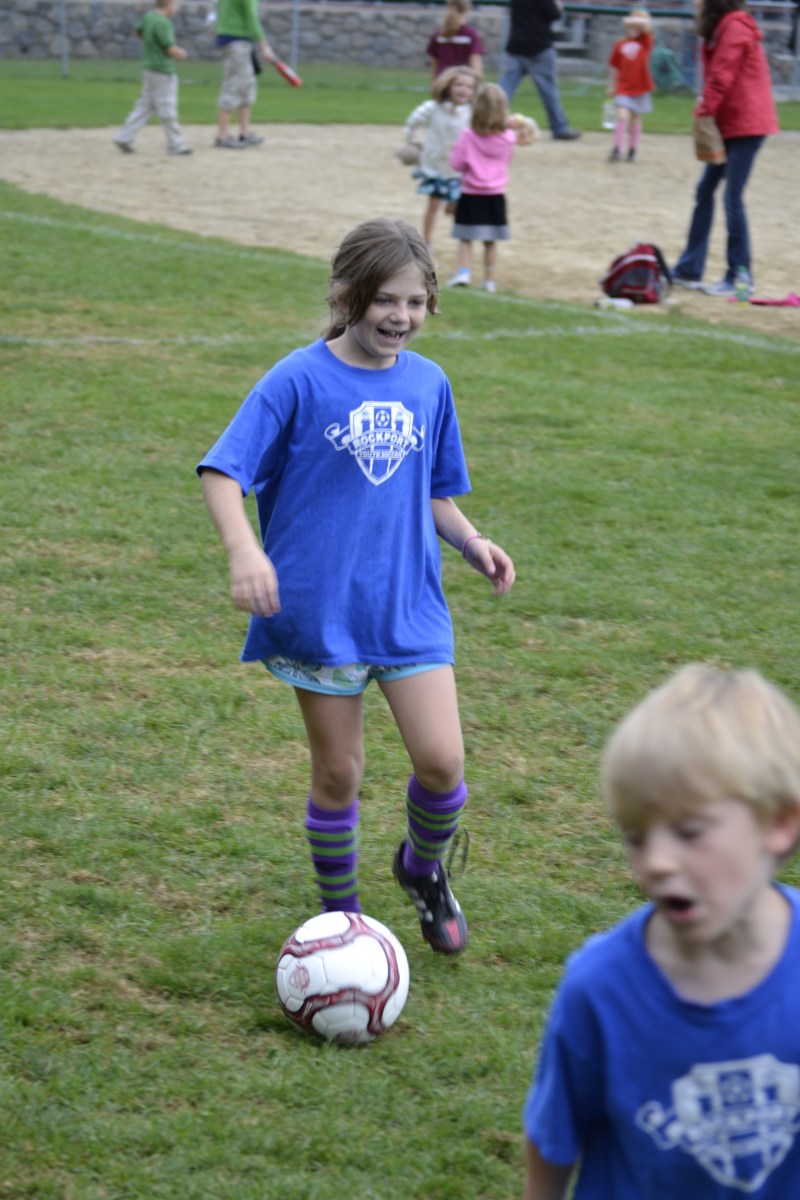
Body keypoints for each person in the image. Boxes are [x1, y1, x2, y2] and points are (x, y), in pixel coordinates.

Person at [197, 218, 515, 958]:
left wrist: (472, 541)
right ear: (346, 296)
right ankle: (343, 925)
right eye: (385, 300)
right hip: (321, 613)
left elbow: (432, 491)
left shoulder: (429, 383)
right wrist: (244, 551)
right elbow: (223, 472)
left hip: (407, 606)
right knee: (339, 773)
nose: (401, 316)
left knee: (442, 765)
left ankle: (422, 868)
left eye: (416, 302)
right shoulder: (297, 379)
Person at [522, 663, 800, 1198]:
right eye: (636, 837)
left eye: (689, 832)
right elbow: (553, 1137)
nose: (656, 862)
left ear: (779, 823)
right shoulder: (601, 988)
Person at [671, 0, 779, 296]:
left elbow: (722, 74)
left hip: (747, 123)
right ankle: (689, 268)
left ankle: (740, 277)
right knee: (705, 191)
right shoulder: (723, 27)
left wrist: (704, 111)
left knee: (732, 197)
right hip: (729, 122)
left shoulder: (735, 27)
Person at [447, 83, 534, 293]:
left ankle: (464, 272)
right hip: (495, 194)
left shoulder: (468, 135)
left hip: (470, 193)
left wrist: (455, 151)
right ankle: (489, 280)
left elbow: (457, 164)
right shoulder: (507, 137)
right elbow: (514, 151)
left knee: (465, 237)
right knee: (490, 240)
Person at [402, 66, 480, 249]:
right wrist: (412, 141)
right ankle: (427, 242)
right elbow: (413, 121)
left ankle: (463, 243)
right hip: (435, 166)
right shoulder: (433, 108)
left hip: (459, 169)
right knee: (434, 203)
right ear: (447, 86)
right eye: (458, 85)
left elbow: (483, 132)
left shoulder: (472, 112)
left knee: (458, 206)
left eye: (469, 87)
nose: (463, 90)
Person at [113, 0, 192, 157]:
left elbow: (137, 33)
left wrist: (151, 45)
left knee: (145, 106)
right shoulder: (163, 23)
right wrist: (182, 53)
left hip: (149, 68)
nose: (177, 8)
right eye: (176, 5)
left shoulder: (149, 16)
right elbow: (169, 47)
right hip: (162, 70)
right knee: (167, 107)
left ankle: (124, 137)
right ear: (168, 4)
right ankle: (176, 145)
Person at [498, 0, 581, 141]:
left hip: (517, 45)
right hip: (539, 46)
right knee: (548, 91)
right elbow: (554, 14)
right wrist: (558, 6)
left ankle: (491, 121)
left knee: (504, 88)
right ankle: (559, 128)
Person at [213, 0, 277, 149]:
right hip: (236, 41)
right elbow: (251, 19)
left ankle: (245, 132)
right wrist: (265, 47)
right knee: (234, 86)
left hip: (237, 40)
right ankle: (222, 136)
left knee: (246, 85)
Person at [606, 9, 655, 162]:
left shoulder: (645, 41)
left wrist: (635, 21)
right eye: (631, 24)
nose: (634, 27)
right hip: (623, 86)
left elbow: (647, 26)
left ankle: (632, 149)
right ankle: (617, 148)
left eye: (637, 25)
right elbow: (615, 67)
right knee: (621, 115)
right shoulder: (620, 43)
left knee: (635, 118)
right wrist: (611, 85)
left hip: (640, 86)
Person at [426, 0, 485, 80]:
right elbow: (475, 61)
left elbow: (434, 64)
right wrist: (478, 82)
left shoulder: (438, 34)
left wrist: (435, 82)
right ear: (467, 10)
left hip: (443, 81)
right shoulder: (471, 34)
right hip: (463, 82)